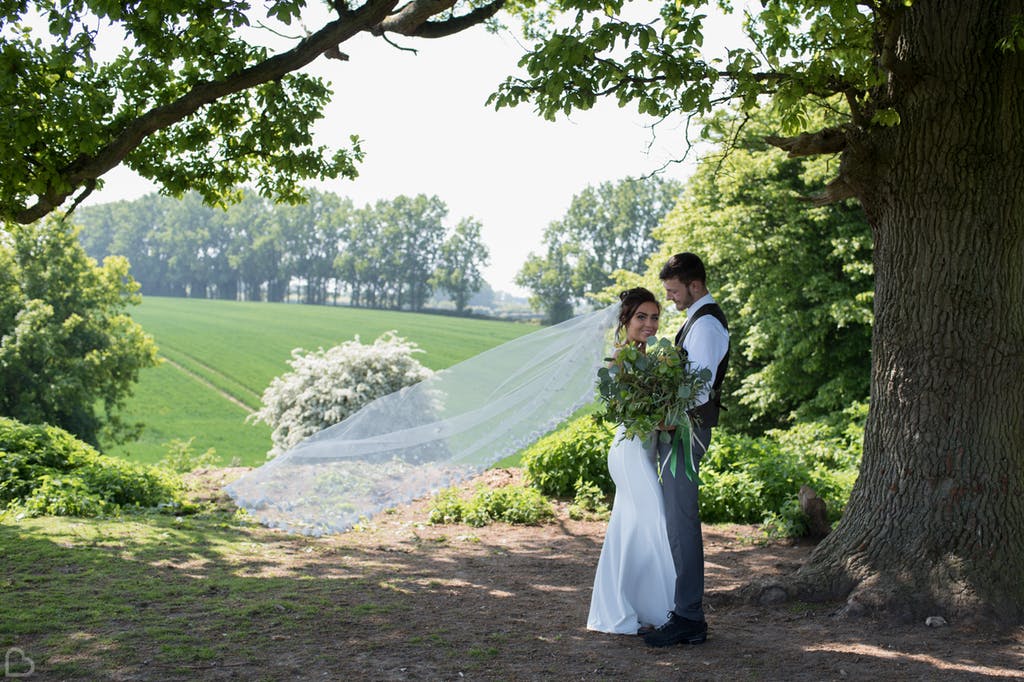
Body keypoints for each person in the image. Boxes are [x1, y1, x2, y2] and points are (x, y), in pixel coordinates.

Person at [643, 253, 730, 648]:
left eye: (674, 291)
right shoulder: (698, 320)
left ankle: (690, 617)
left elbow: (698, 387)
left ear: (694, 285)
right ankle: (681, 611)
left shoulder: (708, 325)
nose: (671, 298)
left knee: (682, 523)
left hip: (687, 433)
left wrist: (665, 417)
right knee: (677, 524)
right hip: (680, 429)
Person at [587, 287, 677, 635]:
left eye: (654, 317)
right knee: (652, 523)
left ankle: (630, 609)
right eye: (642, 316)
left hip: (643, 452)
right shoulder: (622, 359)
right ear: (625, 319)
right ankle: (657, 611)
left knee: (630, 530)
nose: (650, 323)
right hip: (629, 454)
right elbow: (629, 411)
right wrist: (665, 420)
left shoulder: (648, 357)